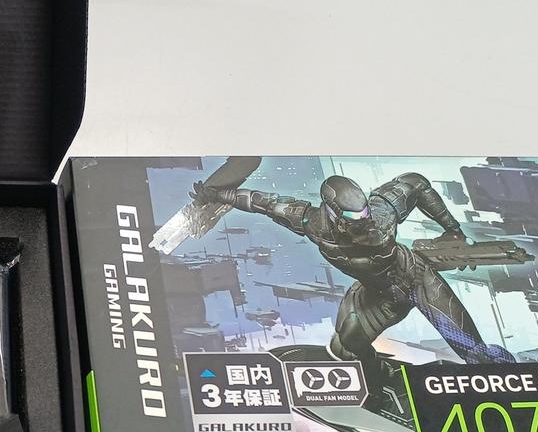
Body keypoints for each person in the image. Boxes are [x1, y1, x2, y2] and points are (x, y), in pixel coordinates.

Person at [191, 172, 514, 408]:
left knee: (476, 353)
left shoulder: (381, 210)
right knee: (346, 347)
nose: (363, 223)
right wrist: (217, 195)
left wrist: (453, 231)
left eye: (364, 215)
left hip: (418, 280)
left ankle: (519, 393)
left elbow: (416, 183)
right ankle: (378, 390)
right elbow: (261, 202)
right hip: (378, 296)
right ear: (332, 212)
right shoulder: (310, 221)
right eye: (352, 217)